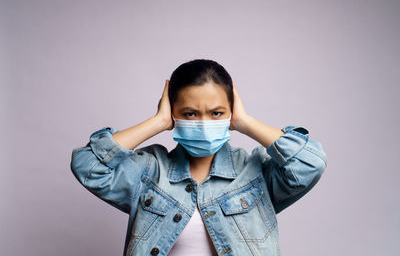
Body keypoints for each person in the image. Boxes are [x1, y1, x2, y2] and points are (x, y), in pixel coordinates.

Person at [70, 59, 327, 256]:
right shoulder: (149, 172)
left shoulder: (256, 171)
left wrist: (245, 122)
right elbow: (87, 165)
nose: (204, 124)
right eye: (191, 113)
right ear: (173, 112)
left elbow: (310, 163)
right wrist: (157, 122)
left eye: (216, 113)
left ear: (231, 111)